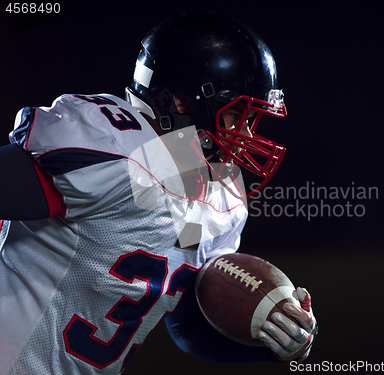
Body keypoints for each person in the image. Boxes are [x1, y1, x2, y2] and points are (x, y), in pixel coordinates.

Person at [0, 12, 317, 374]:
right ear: (182, 102)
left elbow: (186, 326)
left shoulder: (211, 198)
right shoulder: (117, 152)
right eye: (237, 115)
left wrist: (275, 344)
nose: (245, 131)